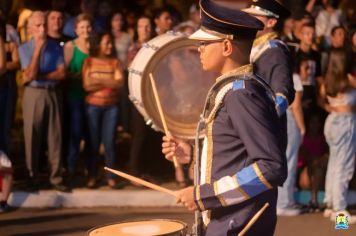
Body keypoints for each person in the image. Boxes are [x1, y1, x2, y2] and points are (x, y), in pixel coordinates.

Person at [162, 1, 287, 235]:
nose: (199, 49)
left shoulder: (241, 95)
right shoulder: (236, 89)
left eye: (204, 43)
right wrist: (192, 155)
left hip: (238, 224)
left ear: (227, 46)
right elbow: (236, 155)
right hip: (228, 221)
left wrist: (203, 195)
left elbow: (271, 167)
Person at [18, 11, 68, 192]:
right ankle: (32, 177)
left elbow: (62, 73)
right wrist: (38, 48)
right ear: (30, 29)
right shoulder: (24, 48)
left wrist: (39, 75)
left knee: (55, 136)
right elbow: (28, 75)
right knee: (32, 136)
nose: (42, 29)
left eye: (44, 25)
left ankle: (56, 177)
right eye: (38, 26)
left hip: (53, 93)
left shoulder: (57, 46)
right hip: (34, 94)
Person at [82, 32, 124, 188]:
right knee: (92, 142)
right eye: (107, 42)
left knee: (109, 142)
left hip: (111, 108)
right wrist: (109, 80)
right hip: (93, 107)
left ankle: (110, 177)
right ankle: (92, 176)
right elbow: (87, 85)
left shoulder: (115, 62)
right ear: (97, 43)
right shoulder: (89, 62)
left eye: (111, 42)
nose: (110, 46)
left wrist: (98, 80)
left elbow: (119, 83)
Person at [321, 49, 356, 223]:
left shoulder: (328, 80)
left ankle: (330, 204)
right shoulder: (348, 79)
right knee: (344, 167)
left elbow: (322, 99)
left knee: (334, 165)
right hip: (345, 123)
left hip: (332, 121)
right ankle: (339, 212)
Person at [63, 14, 91, 182]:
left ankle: (89, 172)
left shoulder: (95, 46)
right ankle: (72, 170)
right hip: (75, 96)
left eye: (88, 27)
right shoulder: (69, 46)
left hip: (94, 99)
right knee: (75, 135)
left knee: (91, 137)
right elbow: (64, 73)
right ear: (75, 30)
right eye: (82, 27)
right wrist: (83, 76)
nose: (85, 30)